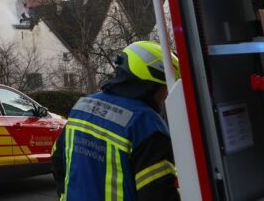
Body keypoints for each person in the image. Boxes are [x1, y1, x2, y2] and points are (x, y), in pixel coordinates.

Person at [52, 41, 181, 201]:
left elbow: (57, 157)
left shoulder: (82, 107)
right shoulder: (147, 125)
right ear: (151, 84)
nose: (166, 94)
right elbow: (158, 193)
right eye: (165, 86)